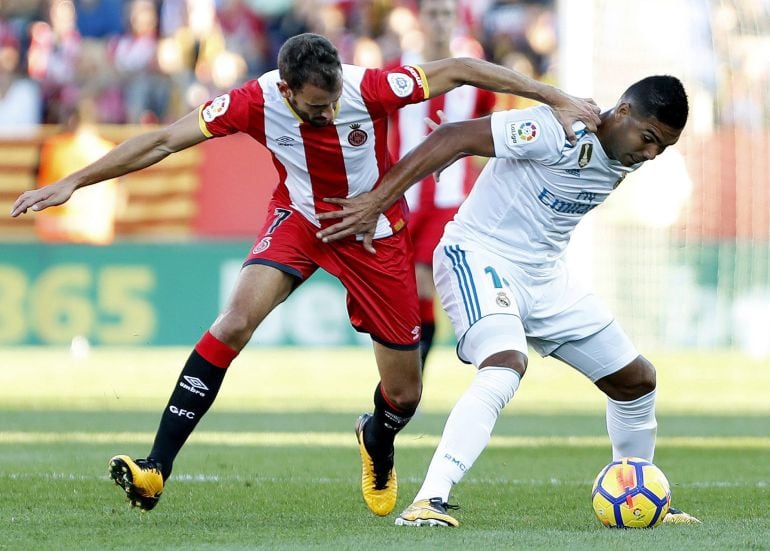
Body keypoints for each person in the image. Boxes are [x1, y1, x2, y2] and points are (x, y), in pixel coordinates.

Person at [11, 33, 600, 517]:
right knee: (236, 321)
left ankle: (377, 439)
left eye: (332, 102)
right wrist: (73, 182)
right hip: (298, 220)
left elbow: (462, 68)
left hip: (372, 230)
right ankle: (156, 467)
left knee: (404, 394)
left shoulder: (369, 86)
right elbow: (164, 140)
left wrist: (554, 97)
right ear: (286, 90)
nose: (327, 114)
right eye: (315, 108)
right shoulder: (250, 101)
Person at [315, 75, 701, 526]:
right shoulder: (559, 127)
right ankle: (429, 500)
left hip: (546, 276)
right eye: (650, 138)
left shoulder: (629, 156)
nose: (651, 154)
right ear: (622, 112)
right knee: (505, 364)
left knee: (637, 380)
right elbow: (451, 135)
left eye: (663, 148)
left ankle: (637, 489)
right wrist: (378, 201)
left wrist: (468, 153)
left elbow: (520, 173)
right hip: (478, 256)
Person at [387, 0, 497, 370]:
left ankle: (414, 373)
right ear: (421, 19)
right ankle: (409, 376)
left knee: (422, 283)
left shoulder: (474, 79)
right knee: (405, 292)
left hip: (449, 200)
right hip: (403, 195)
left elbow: (487, 129)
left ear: (456, 20)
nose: (439, 21)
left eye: (446, 14)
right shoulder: (398, 71)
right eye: (432, 13)